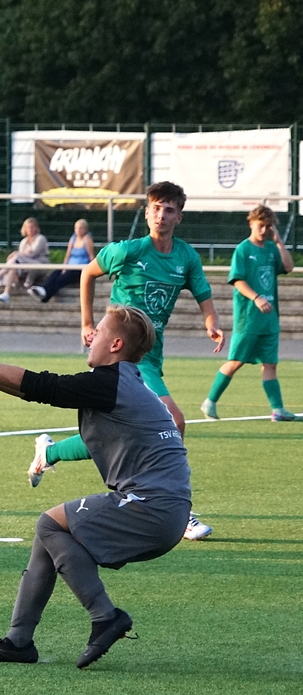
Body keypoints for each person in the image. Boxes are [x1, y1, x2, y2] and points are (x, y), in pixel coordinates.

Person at [0, 306, 192, 669]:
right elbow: (36, 391)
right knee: (48, 537)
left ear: (116, 344)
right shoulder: (127, 383)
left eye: (100, 331)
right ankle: (18, 641)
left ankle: (105, 617)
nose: (91, 336)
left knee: (49, 524)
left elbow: (43, 386)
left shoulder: (110, 383)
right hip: (166, 510)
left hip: (149, 507)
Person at [33, 181, 224, 541]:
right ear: (147, 212)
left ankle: (50, 452)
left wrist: (211, 322)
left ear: (179, 217)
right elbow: (87, 273)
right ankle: (177, 509)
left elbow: (205, 297)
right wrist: (87, 323)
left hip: (150, 355)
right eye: (156, 208)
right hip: (120, 353)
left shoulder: (186, 257)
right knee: (173, 420)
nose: (161, 215)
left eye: (169, 210)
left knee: (116, 433)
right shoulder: (127, 251)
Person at [201, 205, 297, 422]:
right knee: (236, 361)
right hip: (249, 319)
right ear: (251, 223)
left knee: (270, 364)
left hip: (269, 320)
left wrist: (279, 242)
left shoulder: (271, 248)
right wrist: (256, 297)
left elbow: (288, 267)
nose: (264, 230)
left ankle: (278, 410)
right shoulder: (243, 250)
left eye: (268, 226)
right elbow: (238, 280)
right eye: (261, 225)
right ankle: (210, 401)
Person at [27, 218, 95, 302]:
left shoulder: (87, 239)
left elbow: (91, 255)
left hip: (80, 269)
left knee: (62, 279)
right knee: (55, 273)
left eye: (80, 228)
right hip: (70, 266)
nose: (78, 230)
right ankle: (43, 289)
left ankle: (45, 295)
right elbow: (68, 255)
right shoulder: (73, 239)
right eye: (76, 228)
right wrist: (64, 267)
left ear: (85, 229)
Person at [0, 217, 49, 303]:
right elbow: (23, 256)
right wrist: (19, 254)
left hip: (40, 265)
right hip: (26, 265)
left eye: (32, 227)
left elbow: (32, 253)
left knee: (16, 257)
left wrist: (17, 253)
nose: (30, 229)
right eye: (28, 227)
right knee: (14, 264)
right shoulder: (24, 241)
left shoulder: (40, 238)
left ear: (36, 228)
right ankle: (6, 293)